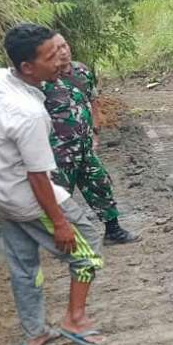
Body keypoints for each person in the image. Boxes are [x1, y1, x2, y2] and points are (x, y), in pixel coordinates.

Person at [0, 23, 104, 345]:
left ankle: (35, 332)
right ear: (27, 68)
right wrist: (60, 223)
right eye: (51, 57)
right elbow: (37, 177)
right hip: (27, 197)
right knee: (87, 241)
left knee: (23, 266)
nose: (60, 61)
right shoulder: (30, 114)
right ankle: (75, 319)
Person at [43, 34, 139, 245]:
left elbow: (92, 101)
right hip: (58, 152)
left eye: (65, 45)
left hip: (85, 147)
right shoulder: (43, 79)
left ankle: (113, 231)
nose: (63, 51)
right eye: (57, 48)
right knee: (58, 196)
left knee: (100, 184)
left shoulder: (82, 71)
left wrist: (95, 131)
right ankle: (57, 240)